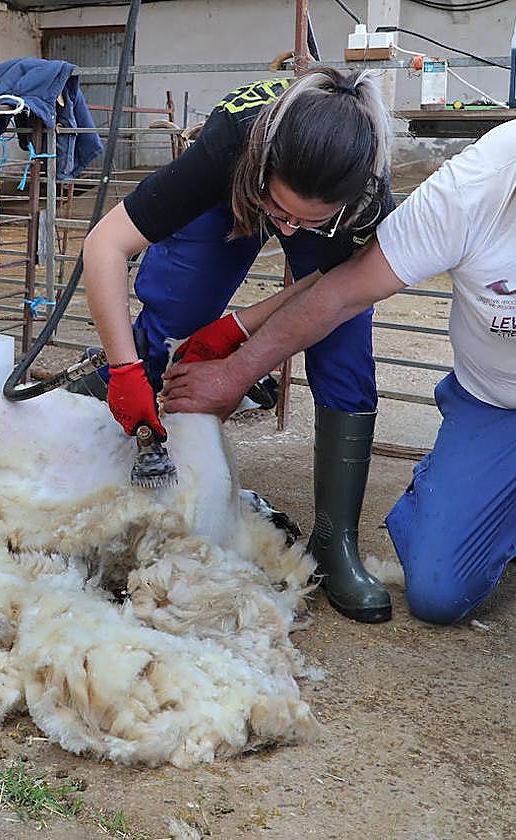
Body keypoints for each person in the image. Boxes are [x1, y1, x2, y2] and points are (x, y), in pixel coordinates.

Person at [161, 53, 516, 710]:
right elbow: (345, 291)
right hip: (502, 400)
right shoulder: (479, 181)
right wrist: (237, 371)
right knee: (438, 593)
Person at [78, 67, 396, 624]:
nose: (288, 230)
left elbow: (329, 287)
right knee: (180, 307)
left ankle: (334, 539)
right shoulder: (229, 146)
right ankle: (114, 426)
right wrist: (124, 368)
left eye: (306, 220)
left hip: (318, 218)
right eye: (281, 214)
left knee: (343, 351)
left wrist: (241, 339)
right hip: (232, 188)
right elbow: (105, 243)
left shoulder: (366, 199)